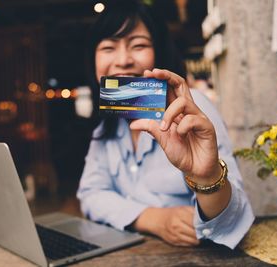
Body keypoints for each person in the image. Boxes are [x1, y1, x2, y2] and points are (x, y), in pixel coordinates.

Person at [77, 0, 254, 249]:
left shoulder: (190, 107)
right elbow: (90, 194)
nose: (123, 60)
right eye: (108, 48)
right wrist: (151, 219)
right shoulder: (107, 125)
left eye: (138, 45)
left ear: (159, 52)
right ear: (93, 61)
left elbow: (234, 221)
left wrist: (207, 178)